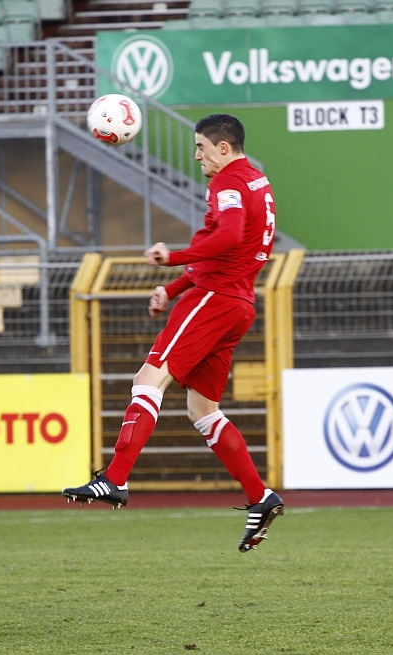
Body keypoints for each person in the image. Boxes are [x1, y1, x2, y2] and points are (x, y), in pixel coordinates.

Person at [63, 114, 284, 553]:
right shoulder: (256, 180)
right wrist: (175, 285)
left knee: (148, 379)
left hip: (214, 299)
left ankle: (115, 479)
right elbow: (236, 247)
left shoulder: (228, 184)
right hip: (237, 302)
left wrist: (173, 257)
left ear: (224, 147)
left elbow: (229, 236)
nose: (197, 155)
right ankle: (260, 496)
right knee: (203, 410)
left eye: (202, 146)